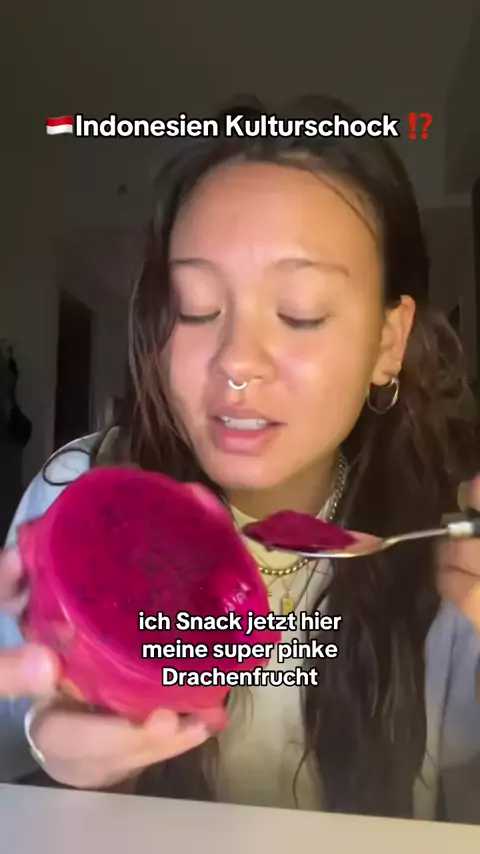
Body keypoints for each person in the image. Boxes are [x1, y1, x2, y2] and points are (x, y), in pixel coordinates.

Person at [1, 93, 480, 822]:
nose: (236, 361)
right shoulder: (76, 498)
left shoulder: (448, 555)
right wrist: (49, 751)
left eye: (301, 312)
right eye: (195, 307)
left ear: (388, 341)